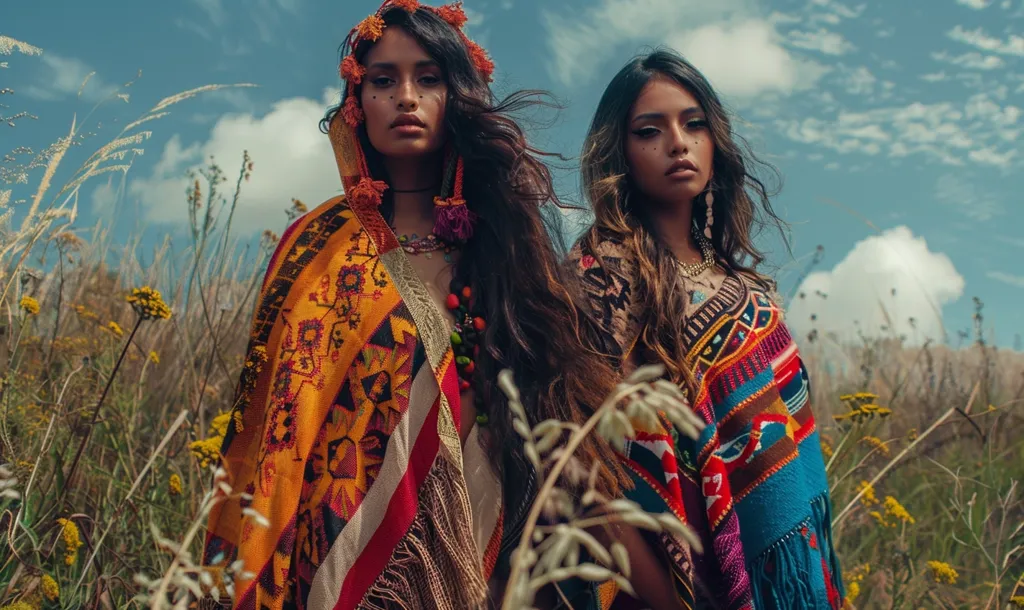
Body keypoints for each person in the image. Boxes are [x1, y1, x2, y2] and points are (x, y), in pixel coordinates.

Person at [201, 3, 695, 609]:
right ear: (357, 101)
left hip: (493, 553)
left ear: (457, 95)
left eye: (428, 78)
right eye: (384, 80)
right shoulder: (315, 245)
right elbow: (272, 435)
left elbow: (566, 432)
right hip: (338, 555)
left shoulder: (510, 248)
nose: (406, 96)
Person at [568, 49, 845, 610]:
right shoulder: (600, 277)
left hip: (774, 577)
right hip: (652, 578)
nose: (678, 142)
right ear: (619, 152)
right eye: (651, 130)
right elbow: (589, 462)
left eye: (694, 123)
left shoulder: (753, 293)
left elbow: (790, 442)